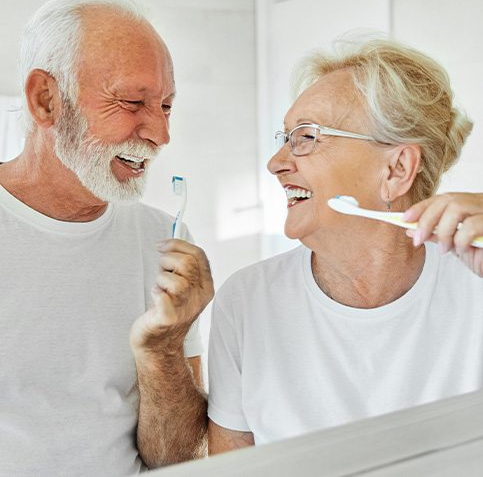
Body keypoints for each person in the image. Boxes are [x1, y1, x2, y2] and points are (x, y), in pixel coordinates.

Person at [0, 0, 213, 475]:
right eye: (133, 101)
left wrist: (163, 347)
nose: (161, 135)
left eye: (165, 106)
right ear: (46, 99)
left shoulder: (163, 241)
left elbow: (178, 461)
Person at [207, 38, 483, 453]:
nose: (276, 162)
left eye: (307, 137)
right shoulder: (248, 301)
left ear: (397, 169)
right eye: (285, 137)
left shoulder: (474, 285)